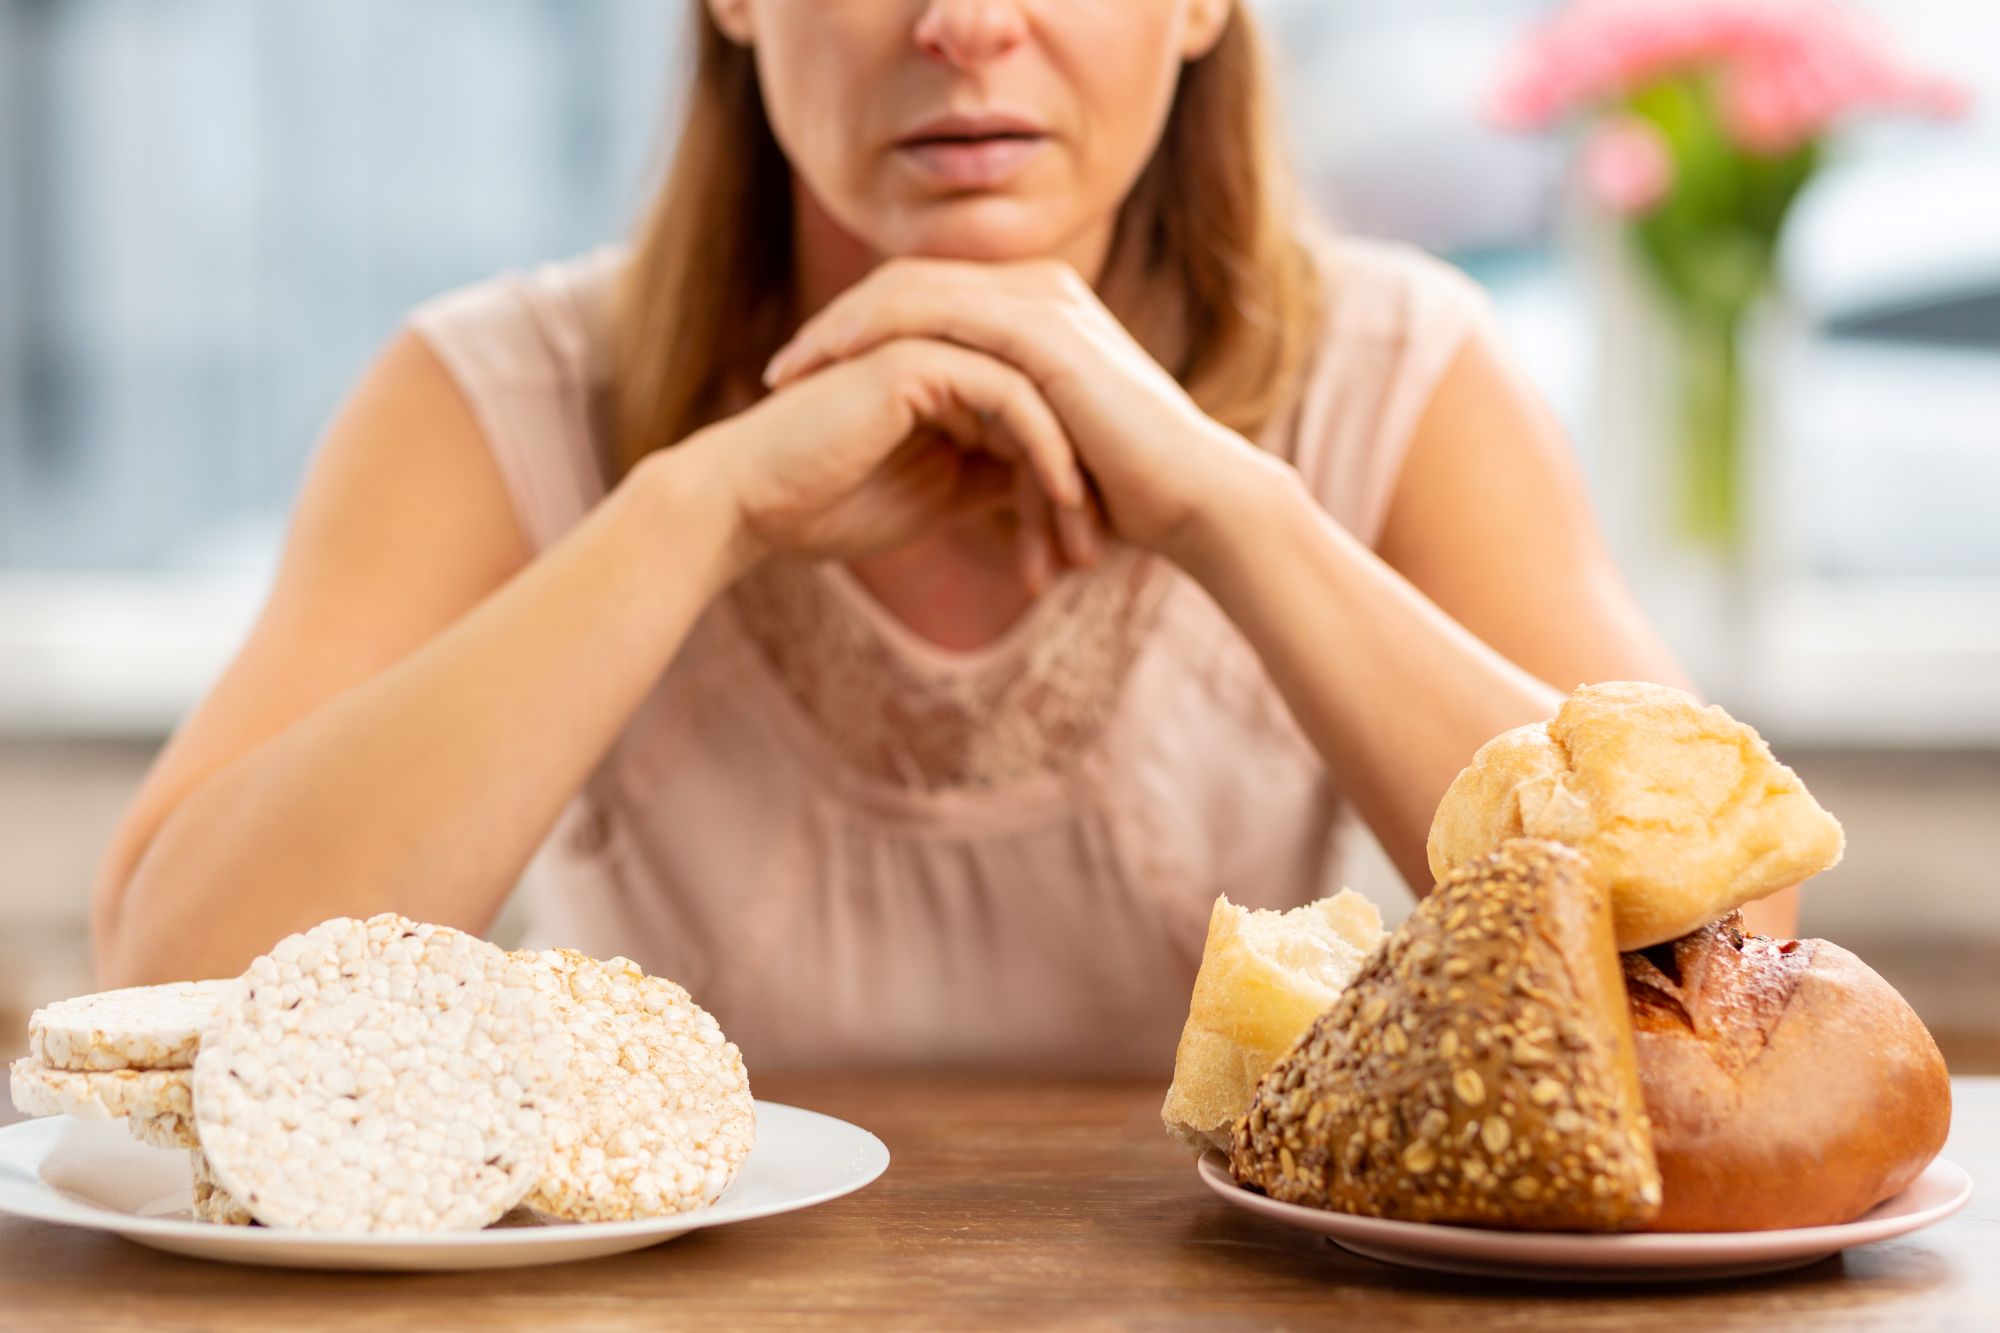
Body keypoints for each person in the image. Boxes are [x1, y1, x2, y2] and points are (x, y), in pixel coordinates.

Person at [89, 1, 1778, 1071]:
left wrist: (1223, 507)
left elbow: (1737, 961)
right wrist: (704, 503)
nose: (968, 26)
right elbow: (171, 978)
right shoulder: (497, 388)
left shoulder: (1400, 369)